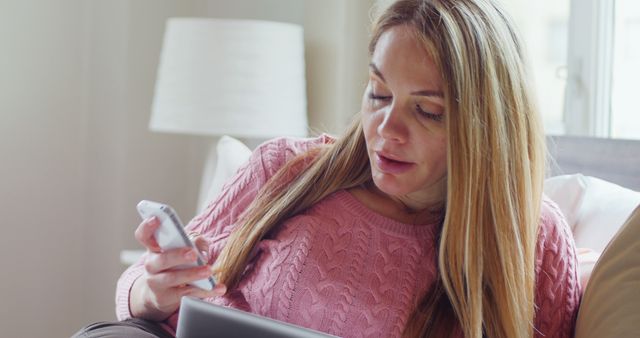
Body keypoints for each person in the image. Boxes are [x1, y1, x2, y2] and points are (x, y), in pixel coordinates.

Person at [73, 0, 580, 337]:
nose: (386, 127)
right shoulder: (286, 169)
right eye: (378, 93)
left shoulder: (531, 241)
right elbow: (138, 291)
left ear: (486, 126)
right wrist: (153, 290)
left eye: (428, 111)